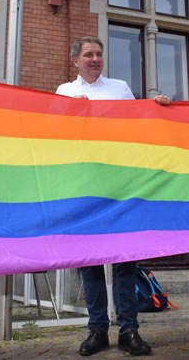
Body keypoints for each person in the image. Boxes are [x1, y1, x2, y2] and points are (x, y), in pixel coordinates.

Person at [56, 36, 170, 357]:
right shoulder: (63, 92)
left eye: (98, 54)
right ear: (75, 60)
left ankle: (129, 329)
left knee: (124, 260)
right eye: (88, 54)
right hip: (82, 183)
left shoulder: (120, 88)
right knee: (89, 261)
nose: (94, 59)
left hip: (120, 181)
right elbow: (55, 135)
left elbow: (139, 125)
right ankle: (97, 330)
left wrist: (157, 108)